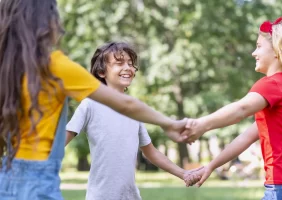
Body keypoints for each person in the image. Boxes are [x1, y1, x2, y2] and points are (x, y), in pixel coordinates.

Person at [0, 1, 187, 199]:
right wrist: (169, 124)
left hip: (5, 174)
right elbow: (126, 105)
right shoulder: (54, 66)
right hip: (38, 177)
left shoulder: (7, 71)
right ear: (47, 23)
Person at [183, 16, 282, 199]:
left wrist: (201, 124)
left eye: (259, 46)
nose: (254, 53)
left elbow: (241, 109)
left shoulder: (272, 85)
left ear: (278, 50)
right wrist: (212, 165)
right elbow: (245, 138)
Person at [66, 42, 195, 200]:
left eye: (130, 63)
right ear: (101, 72)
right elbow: (63, 139)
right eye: (119, 63)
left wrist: (184, 174)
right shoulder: (90, 105)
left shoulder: (134, 110)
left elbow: (151, 152)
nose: (128, 67)